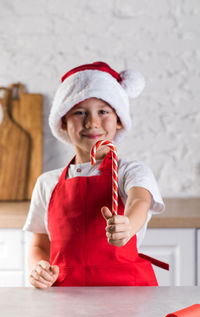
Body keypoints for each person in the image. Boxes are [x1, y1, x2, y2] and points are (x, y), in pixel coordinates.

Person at [23, 61, 168, 289]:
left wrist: (127, 225)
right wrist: (38, 268)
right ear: (63, 122)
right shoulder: (47, 183)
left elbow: (140, 199)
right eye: (79, 112)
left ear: (119, 120)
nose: (92, 122)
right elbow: (39, 245)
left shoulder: (130, 172)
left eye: (103, 111)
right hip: (66, 301)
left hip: (129, 295)